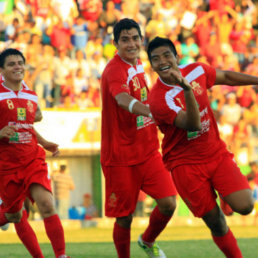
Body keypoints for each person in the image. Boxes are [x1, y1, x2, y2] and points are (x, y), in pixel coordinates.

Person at [147, 36, 257, 258]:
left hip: (215, 153)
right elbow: (192, 124)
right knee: (216, 222)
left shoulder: (197, 70)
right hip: (185, 164)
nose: (162, 61)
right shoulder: (157, 99)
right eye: (156, 59)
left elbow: (225, 76)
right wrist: (187, 89)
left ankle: (225, 194)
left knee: (246, 206)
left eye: (167, 55)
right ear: (152, 65)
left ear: (177, 57)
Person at [100, 18, 177, 258]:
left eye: (135, 38)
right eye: (125, 40)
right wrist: (151, 112)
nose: (131, 43)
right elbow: (122, 99)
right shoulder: (114, 70)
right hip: (120, 155)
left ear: (141, 40)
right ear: (116, 43)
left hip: (148, 150)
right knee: (124, 216)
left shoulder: (140, 64)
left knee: (169, 202)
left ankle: (147, 240)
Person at [0, 48, 70, 258]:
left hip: (32, 159)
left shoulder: (31, 94)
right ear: (2, 70)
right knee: (14, 215)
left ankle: (61, 255)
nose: (17, 67)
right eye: (11, 64)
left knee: (47, 204)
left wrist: (45, 142)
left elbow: (26, 126)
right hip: (7, 166)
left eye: (20, 63)